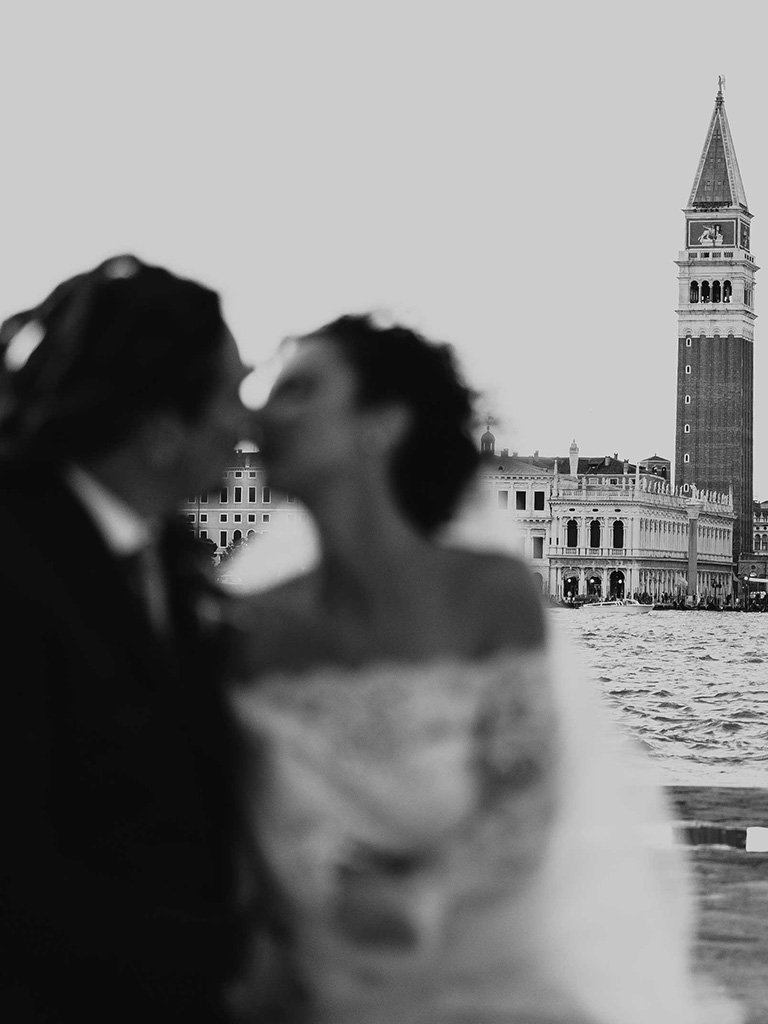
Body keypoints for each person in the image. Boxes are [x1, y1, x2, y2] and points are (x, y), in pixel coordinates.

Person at [223, 314, 742, 1024]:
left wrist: (422, 894)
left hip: (484, 978)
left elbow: (528, 802)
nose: (259, 411)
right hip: (305, 983)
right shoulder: (243, 627)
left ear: (381, 425)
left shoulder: (488, 595)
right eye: (264, 389)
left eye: (300, 390)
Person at [0, 255, 259, 1022]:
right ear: (158, 426)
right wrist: (231, 963)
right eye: (229, 396)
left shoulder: (164, 557)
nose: (243, 425)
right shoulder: (12, 566)